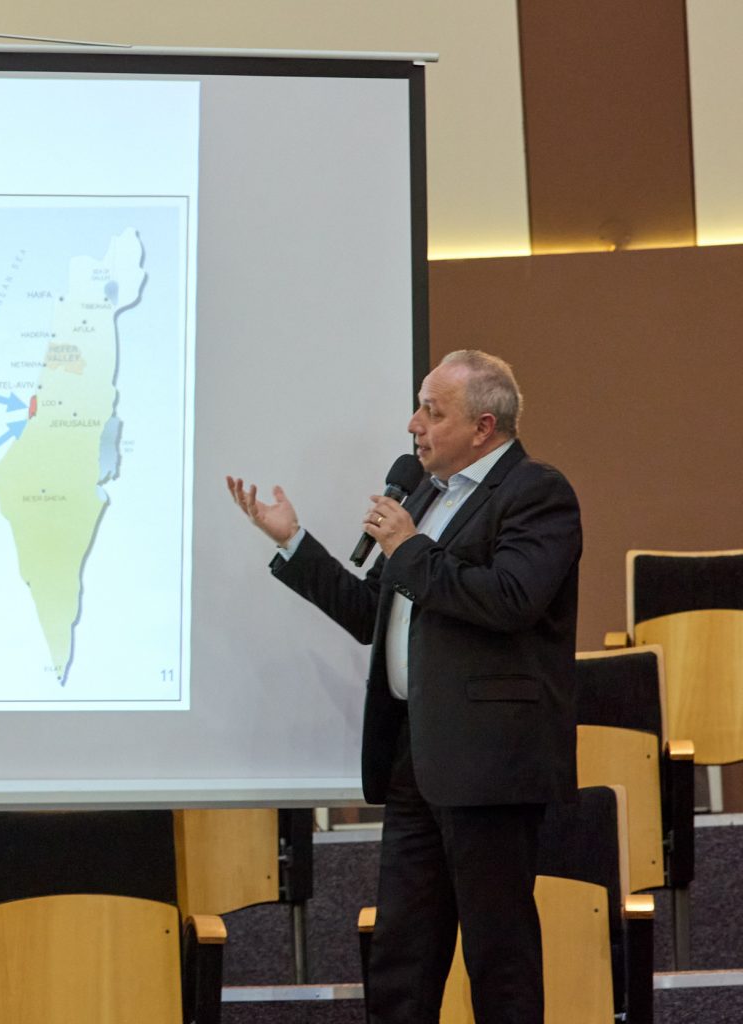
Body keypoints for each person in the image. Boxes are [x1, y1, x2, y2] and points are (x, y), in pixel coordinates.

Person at [227, 350, 581, 1024]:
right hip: (416, 758)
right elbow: (373, 614)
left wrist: (411, 548)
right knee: (401, 954)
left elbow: (512, 598)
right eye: (419, 406)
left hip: (489, 764)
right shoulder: (425, 496)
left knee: (498, 955)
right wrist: (294, 542)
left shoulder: (536, 492)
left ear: (482, 427)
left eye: (431, 410)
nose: (414, 424)